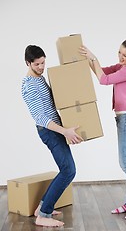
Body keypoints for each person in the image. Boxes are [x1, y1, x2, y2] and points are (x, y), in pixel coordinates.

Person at [79, 38, 126, 221]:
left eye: (125, 55)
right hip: (124, 119)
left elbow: (103, 80)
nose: (120, 56)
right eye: (119, 52)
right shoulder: (122, 66)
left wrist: (93, 57)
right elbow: (102, 71)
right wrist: (87, 58)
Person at [21, 45, 83, 227]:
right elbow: (39, 117)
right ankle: (43, 215)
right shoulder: (29, 85)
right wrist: (65, 131)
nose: (41, 67)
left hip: (56, 130)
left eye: (43, 62)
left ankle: (42, 208)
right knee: (68, 170)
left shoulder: (39, 79)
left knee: (67, 169)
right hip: (49, 132)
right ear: (28, 63)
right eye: (37, 64)